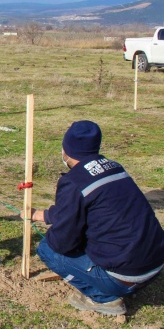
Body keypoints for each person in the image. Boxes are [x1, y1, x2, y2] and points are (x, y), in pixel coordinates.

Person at [22, 121, 164, 316]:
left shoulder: (72, 182)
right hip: (156, 264)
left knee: (48, 248)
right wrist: (44, 215)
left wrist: (64, 230)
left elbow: (64, 242)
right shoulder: (114, 167)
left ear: (66, 149)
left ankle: (104, 298)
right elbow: (96, 208)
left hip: (127, 276)